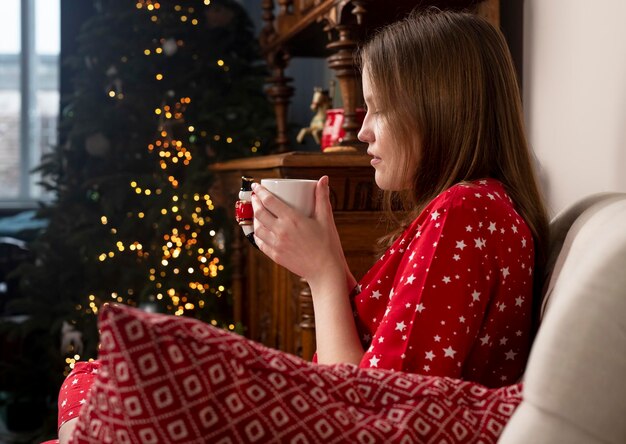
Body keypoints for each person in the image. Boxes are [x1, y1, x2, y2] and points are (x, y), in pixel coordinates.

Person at [54, 9, 548, 443]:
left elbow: (371, 411)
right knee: (93, 378)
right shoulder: (473, 209)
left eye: (378, 108)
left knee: (105, 383)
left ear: (438, 107)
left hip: (330, 416)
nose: (361, 131)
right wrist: (329, 258)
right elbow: (385, 362)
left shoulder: (466, 213)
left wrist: (323, 275)